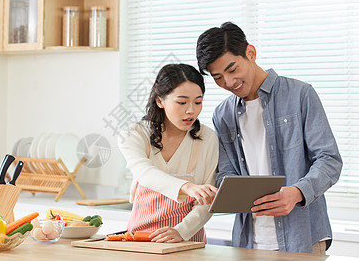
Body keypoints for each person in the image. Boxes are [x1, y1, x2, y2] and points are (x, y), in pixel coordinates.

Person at [195, 22, 343, 254]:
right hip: (248, 242)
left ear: (250, 53)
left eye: (232, 70)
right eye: (218, 77)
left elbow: (329, 160)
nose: (228, 82)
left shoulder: (300, 95)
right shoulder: (222, 114)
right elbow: (225, 172)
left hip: (303, 238)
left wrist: (296, 192)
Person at [118, 63, 219, 243]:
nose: (191, 110)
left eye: (198, 102)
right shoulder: (134, 134)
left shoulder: (208, 138)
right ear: (159, 101)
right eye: (181, 102)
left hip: (187, 241)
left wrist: (181, 231)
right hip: (142, 240)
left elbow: (207, 201)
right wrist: (187, 187)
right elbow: (145, 173)